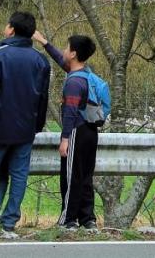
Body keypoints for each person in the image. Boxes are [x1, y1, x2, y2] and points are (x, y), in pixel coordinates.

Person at [0, 12, 52, 234]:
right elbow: (43, 98)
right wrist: (37, 125)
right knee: (19, 174)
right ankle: (9, 222)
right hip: (25, 129)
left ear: (11, 30)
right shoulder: (40, 61)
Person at [58, 35, 103, 230]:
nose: (64, 50)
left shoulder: (73, 83)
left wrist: (65, 138)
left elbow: (70, 112)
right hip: (91, 131)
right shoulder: (88, 76)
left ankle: (68, 219)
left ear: (74, 53)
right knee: (85, 175)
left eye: (67, 47)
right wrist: (44, 43)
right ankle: (88, 218)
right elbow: (61, 60)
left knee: (71, 176)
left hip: (76, 131)